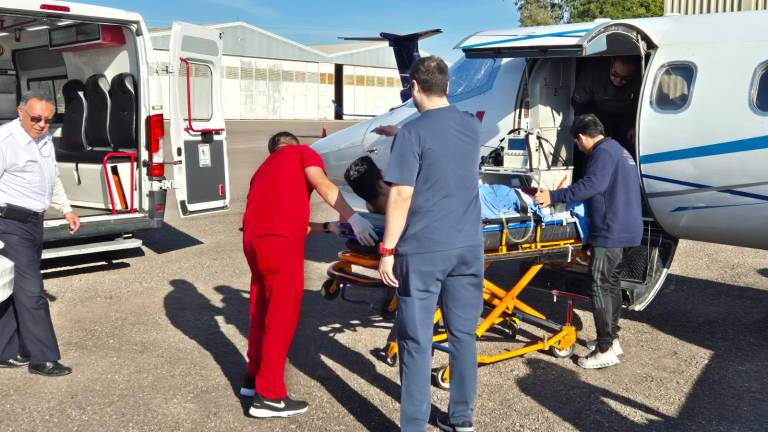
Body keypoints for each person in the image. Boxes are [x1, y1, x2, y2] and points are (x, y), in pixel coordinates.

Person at [378, 56, 484, 432]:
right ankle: (461, 419)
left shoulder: (412, 132)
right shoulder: (471, 126)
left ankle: (413, 425)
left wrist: (387, 250)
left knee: (416, 340)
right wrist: (402, 135)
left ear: (414, 88)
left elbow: (402, 194)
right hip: (469, 246)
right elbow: (445, 148)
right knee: (463, 336)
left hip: (423, 250)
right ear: (448, 87)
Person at [240, 131, 376, 419]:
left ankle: (252, 380)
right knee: (281, 315)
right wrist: (351, 216)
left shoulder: (262, 171)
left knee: (261, 308)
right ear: (293, 144)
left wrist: (327, 227)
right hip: (280, 244)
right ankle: (269, 396)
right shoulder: (301, 153)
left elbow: (289, 219)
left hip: (255, 242)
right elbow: (323, 183)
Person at [534, 114, 642, 369]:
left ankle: (605, 349)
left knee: (600, 286)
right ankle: (612, 339)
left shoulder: (603, 152)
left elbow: (593, 184)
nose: (580, 149)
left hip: (611, 230)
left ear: (581, 137)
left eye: (578, 144)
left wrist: (554, 195)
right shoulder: (619, 150)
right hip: (627, 228)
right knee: (611, 284)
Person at [0, 91, 80, 377]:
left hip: (34, 223)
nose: (42, 125)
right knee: (33, 292)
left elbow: (52, 177)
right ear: (21, 112)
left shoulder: (44, 138)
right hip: (9, 225)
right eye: (36, 118)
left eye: (47, 119)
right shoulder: (5, 141)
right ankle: (42, 359)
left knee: (13, 288)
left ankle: (6, 351)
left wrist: (67, 209)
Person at [572, 56, 640, 153]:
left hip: (625, 117)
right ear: (611, 64)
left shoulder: (639, 78)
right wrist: (592, 129)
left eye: (625, 78)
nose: (618, 81)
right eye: (615, 74)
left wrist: (634, 125)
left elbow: (640, 104)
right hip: (596, 115)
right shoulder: (593, 74)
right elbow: (579, 104)